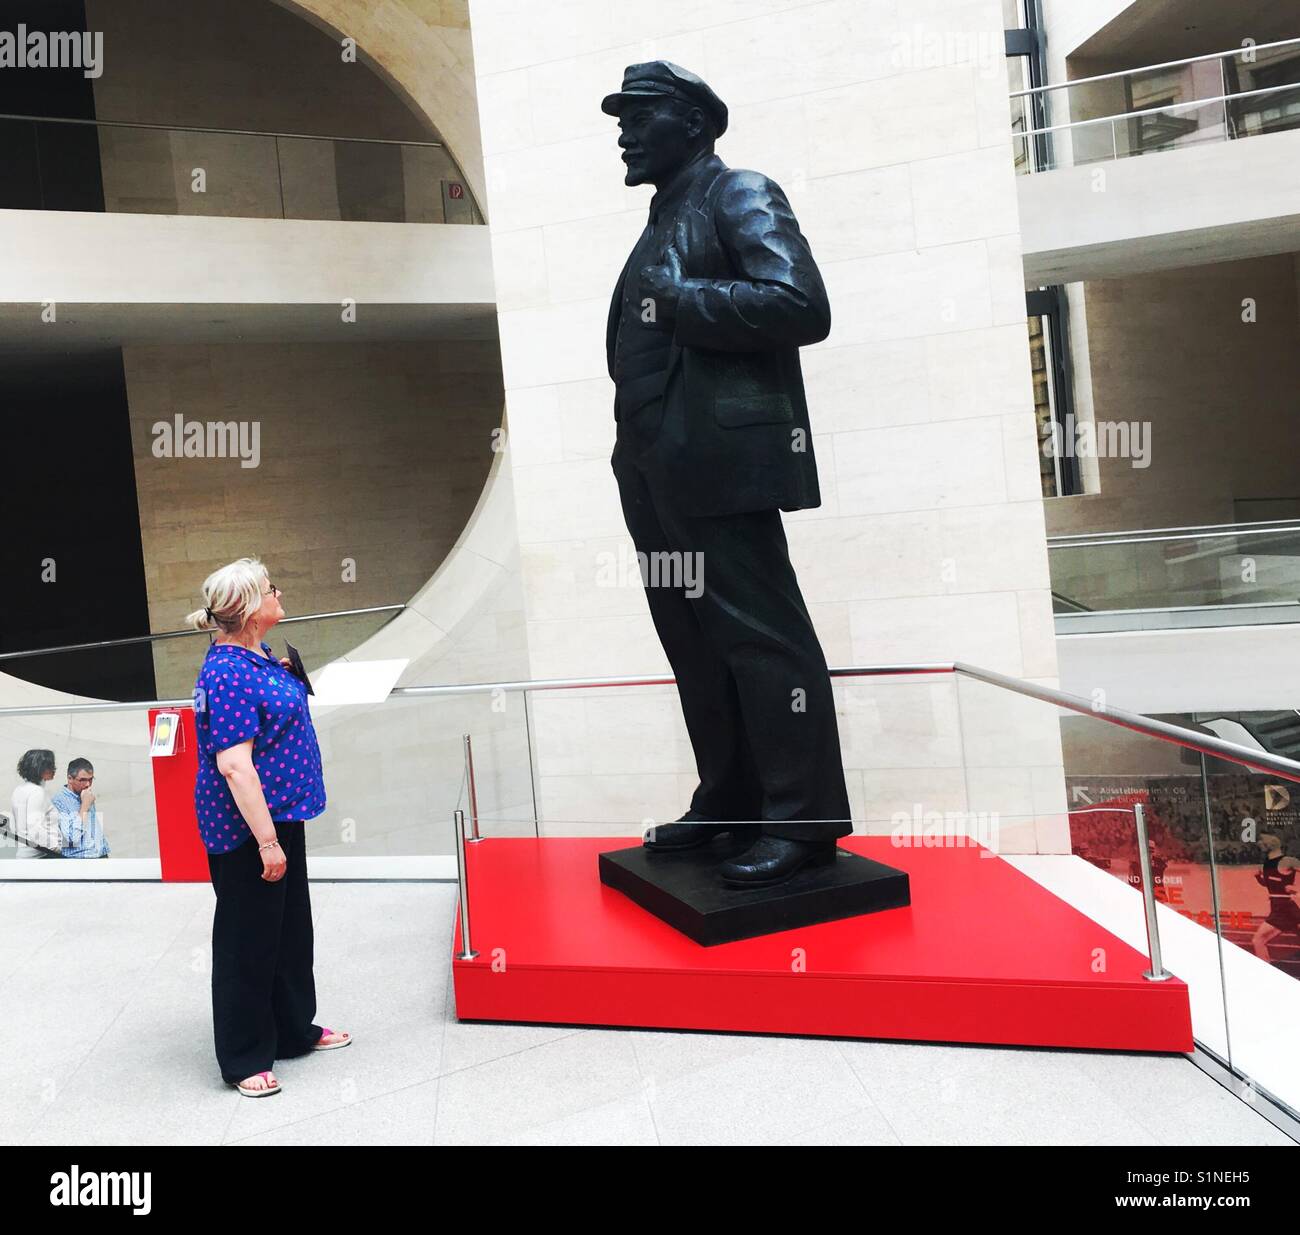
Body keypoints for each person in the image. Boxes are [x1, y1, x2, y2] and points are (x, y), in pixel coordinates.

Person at [601, 61, 851, 887]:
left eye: (641, 115)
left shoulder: (738, 191)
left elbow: (800, 303)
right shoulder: (661, 216)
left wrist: (684, 301)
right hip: (652, 467)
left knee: (761, 636)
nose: (625, 130)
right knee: (692, 639)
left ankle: (803, 822)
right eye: (622, 116)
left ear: (696, 123)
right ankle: (731, 799)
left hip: (718, 463)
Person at [186, 557, 350, 1098]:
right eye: (270, 589)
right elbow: (234, 765)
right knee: (247, 941)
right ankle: (244, 1055)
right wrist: (267, 842)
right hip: (248, 832)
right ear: (253, 610)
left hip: (281, 814)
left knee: (288, 929)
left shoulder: (257, 657)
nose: (280, 592)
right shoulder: (226, 672)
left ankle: (293, 1030)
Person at [1252, 833, 1300, 962]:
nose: (1259, 844)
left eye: (1262, 841)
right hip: (1281, 908)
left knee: (1258, 940)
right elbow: (1269, 885)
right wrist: (1258, 877)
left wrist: (1297, 889)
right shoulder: (1267, 864)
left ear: (1271, 843)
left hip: (1284, 909)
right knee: (1259, 940)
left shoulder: (1288, 861)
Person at [51, 758, 110, 858]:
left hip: (100, 856)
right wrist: (84, 806)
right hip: (79, 861)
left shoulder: (86, 794)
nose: (88, 784)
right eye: (83, 780)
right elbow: (72, 838)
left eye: (90, 779)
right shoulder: (59, 800)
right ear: (70, 778)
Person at [10, 749, 61, 859]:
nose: (54, 769)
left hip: (24, 855)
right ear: (40, 769)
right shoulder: (37, 792)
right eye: (51, 766)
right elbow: (35, 830)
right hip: (40, 857)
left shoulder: (19, 790)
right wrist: (57, 848)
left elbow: (18, 827)